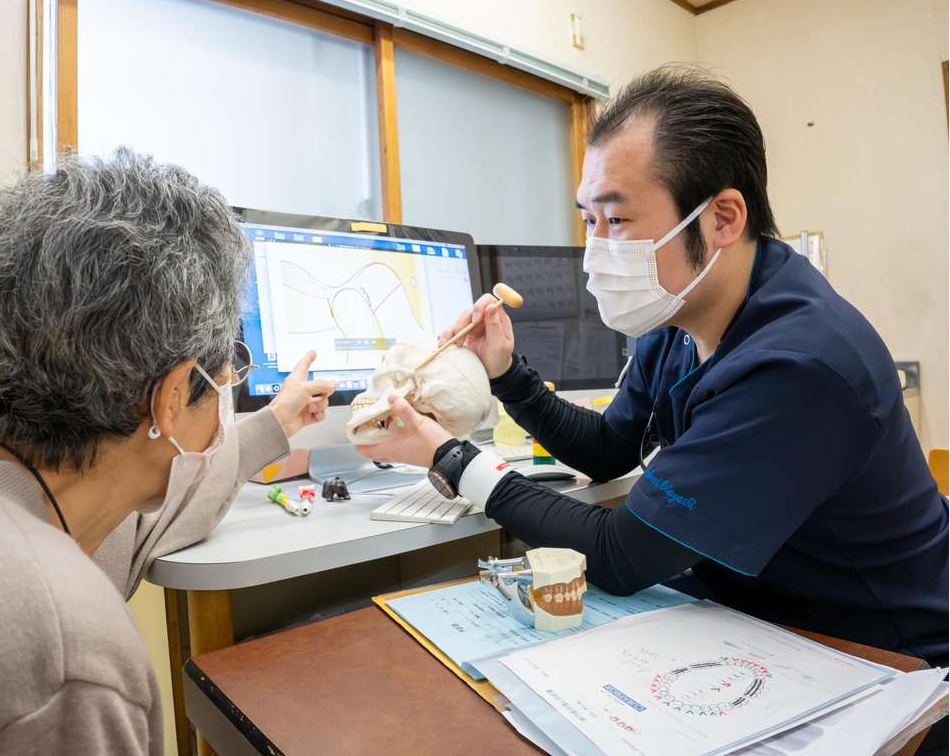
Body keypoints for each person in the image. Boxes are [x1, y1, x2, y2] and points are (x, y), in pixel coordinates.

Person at [358, 65, 948, 678]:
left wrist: (454, 459)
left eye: (617, 220)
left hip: (883, 657)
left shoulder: (798, 366)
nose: (596, 250)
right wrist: (506, 374)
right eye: (589, 221)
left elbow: (621, 556)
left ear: (723, 218)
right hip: (756, 614)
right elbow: (608, 449)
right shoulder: (679, 315)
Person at [0, 149, 337, 754]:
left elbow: (159, 509)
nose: (226, 396)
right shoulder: (66, 655)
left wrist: (275, 422)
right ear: (171, 398)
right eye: (226, 377)